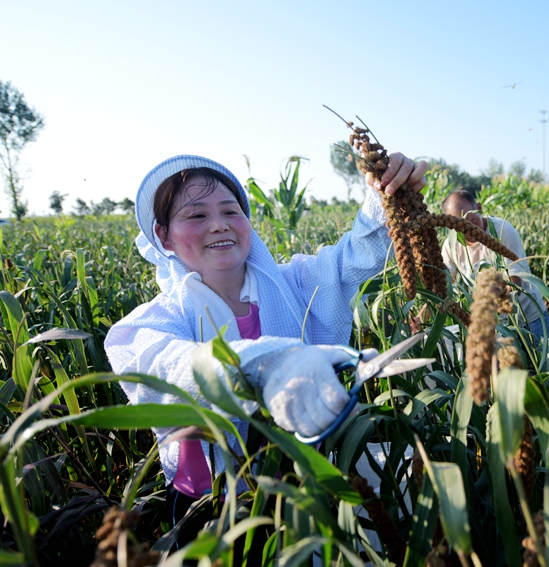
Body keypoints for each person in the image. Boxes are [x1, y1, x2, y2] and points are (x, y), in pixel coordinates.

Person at [103, 152, 427, 543]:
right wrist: (268, 364)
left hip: (310, 481)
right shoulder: (151, 323)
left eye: (230, 211)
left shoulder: (293, 284)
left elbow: (354, 257)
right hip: (216, 510)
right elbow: (167, 366)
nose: (219, 225)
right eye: (196, 216)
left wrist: (386, 191)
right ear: (164, 236)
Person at [439, 190, 549, 347]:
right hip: (496, 325)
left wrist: (483, 312)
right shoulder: (451, 246)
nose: (468, 231)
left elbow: (514, 285)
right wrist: (421, 317)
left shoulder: (502, 232)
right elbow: (443, 286)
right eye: (459, 226)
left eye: (472, 221)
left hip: (528, 318)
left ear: (479, 208)